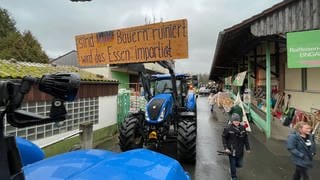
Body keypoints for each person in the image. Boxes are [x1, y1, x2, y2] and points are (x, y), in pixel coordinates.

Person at [222, 113, 250, 180]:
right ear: (232, 121)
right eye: (235, 120)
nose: (236, 122)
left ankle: (232, 168)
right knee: (233, 164)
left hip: (240, 150)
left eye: (238, 120)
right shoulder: (228, 128)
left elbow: (245, 138)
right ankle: (233, 176)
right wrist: (226, 148)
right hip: (231, 150)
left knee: (239, 164)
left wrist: (247, 147)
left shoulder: (243, 128)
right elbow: (223, 137)